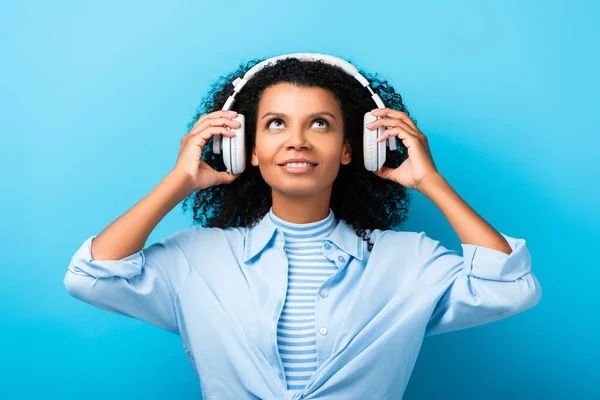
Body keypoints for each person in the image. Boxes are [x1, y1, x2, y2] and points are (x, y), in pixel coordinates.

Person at [63, 54, 542, 399]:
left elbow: (509, 287)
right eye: (274, 124)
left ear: (352, 148)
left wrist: (430, 181)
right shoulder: (196, 258)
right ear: (246, 149)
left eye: (320, 125)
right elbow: (93, 276)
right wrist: (181, 180)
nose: (296, 141)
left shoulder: (409, 261)